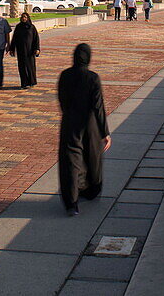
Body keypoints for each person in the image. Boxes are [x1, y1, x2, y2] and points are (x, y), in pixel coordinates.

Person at [57, 43, 111, 216]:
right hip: (90, 125)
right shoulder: (92, 78)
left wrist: (69, 114)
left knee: (71, 162)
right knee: (91, 157)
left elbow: (62, 100)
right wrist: (105, 132)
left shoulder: (64, 76)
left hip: (70, 123)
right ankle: (90, 189)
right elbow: (98, 107)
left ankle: (71, 203)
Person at [8, 12, 40, 88]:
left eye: (25, 17)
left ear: (28, 18)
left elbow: (36, 39)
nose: (23, 18)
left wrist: (37, 48)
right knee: (22, 67)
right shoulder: (18, 27)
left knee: (30, 67)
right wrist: (12, 49)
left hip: (30, 51)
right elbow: (14, 39)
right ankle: (24, 83)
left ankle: (32, 82)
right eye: (22, 17)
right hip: (21, 50)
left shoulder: (32, 27)